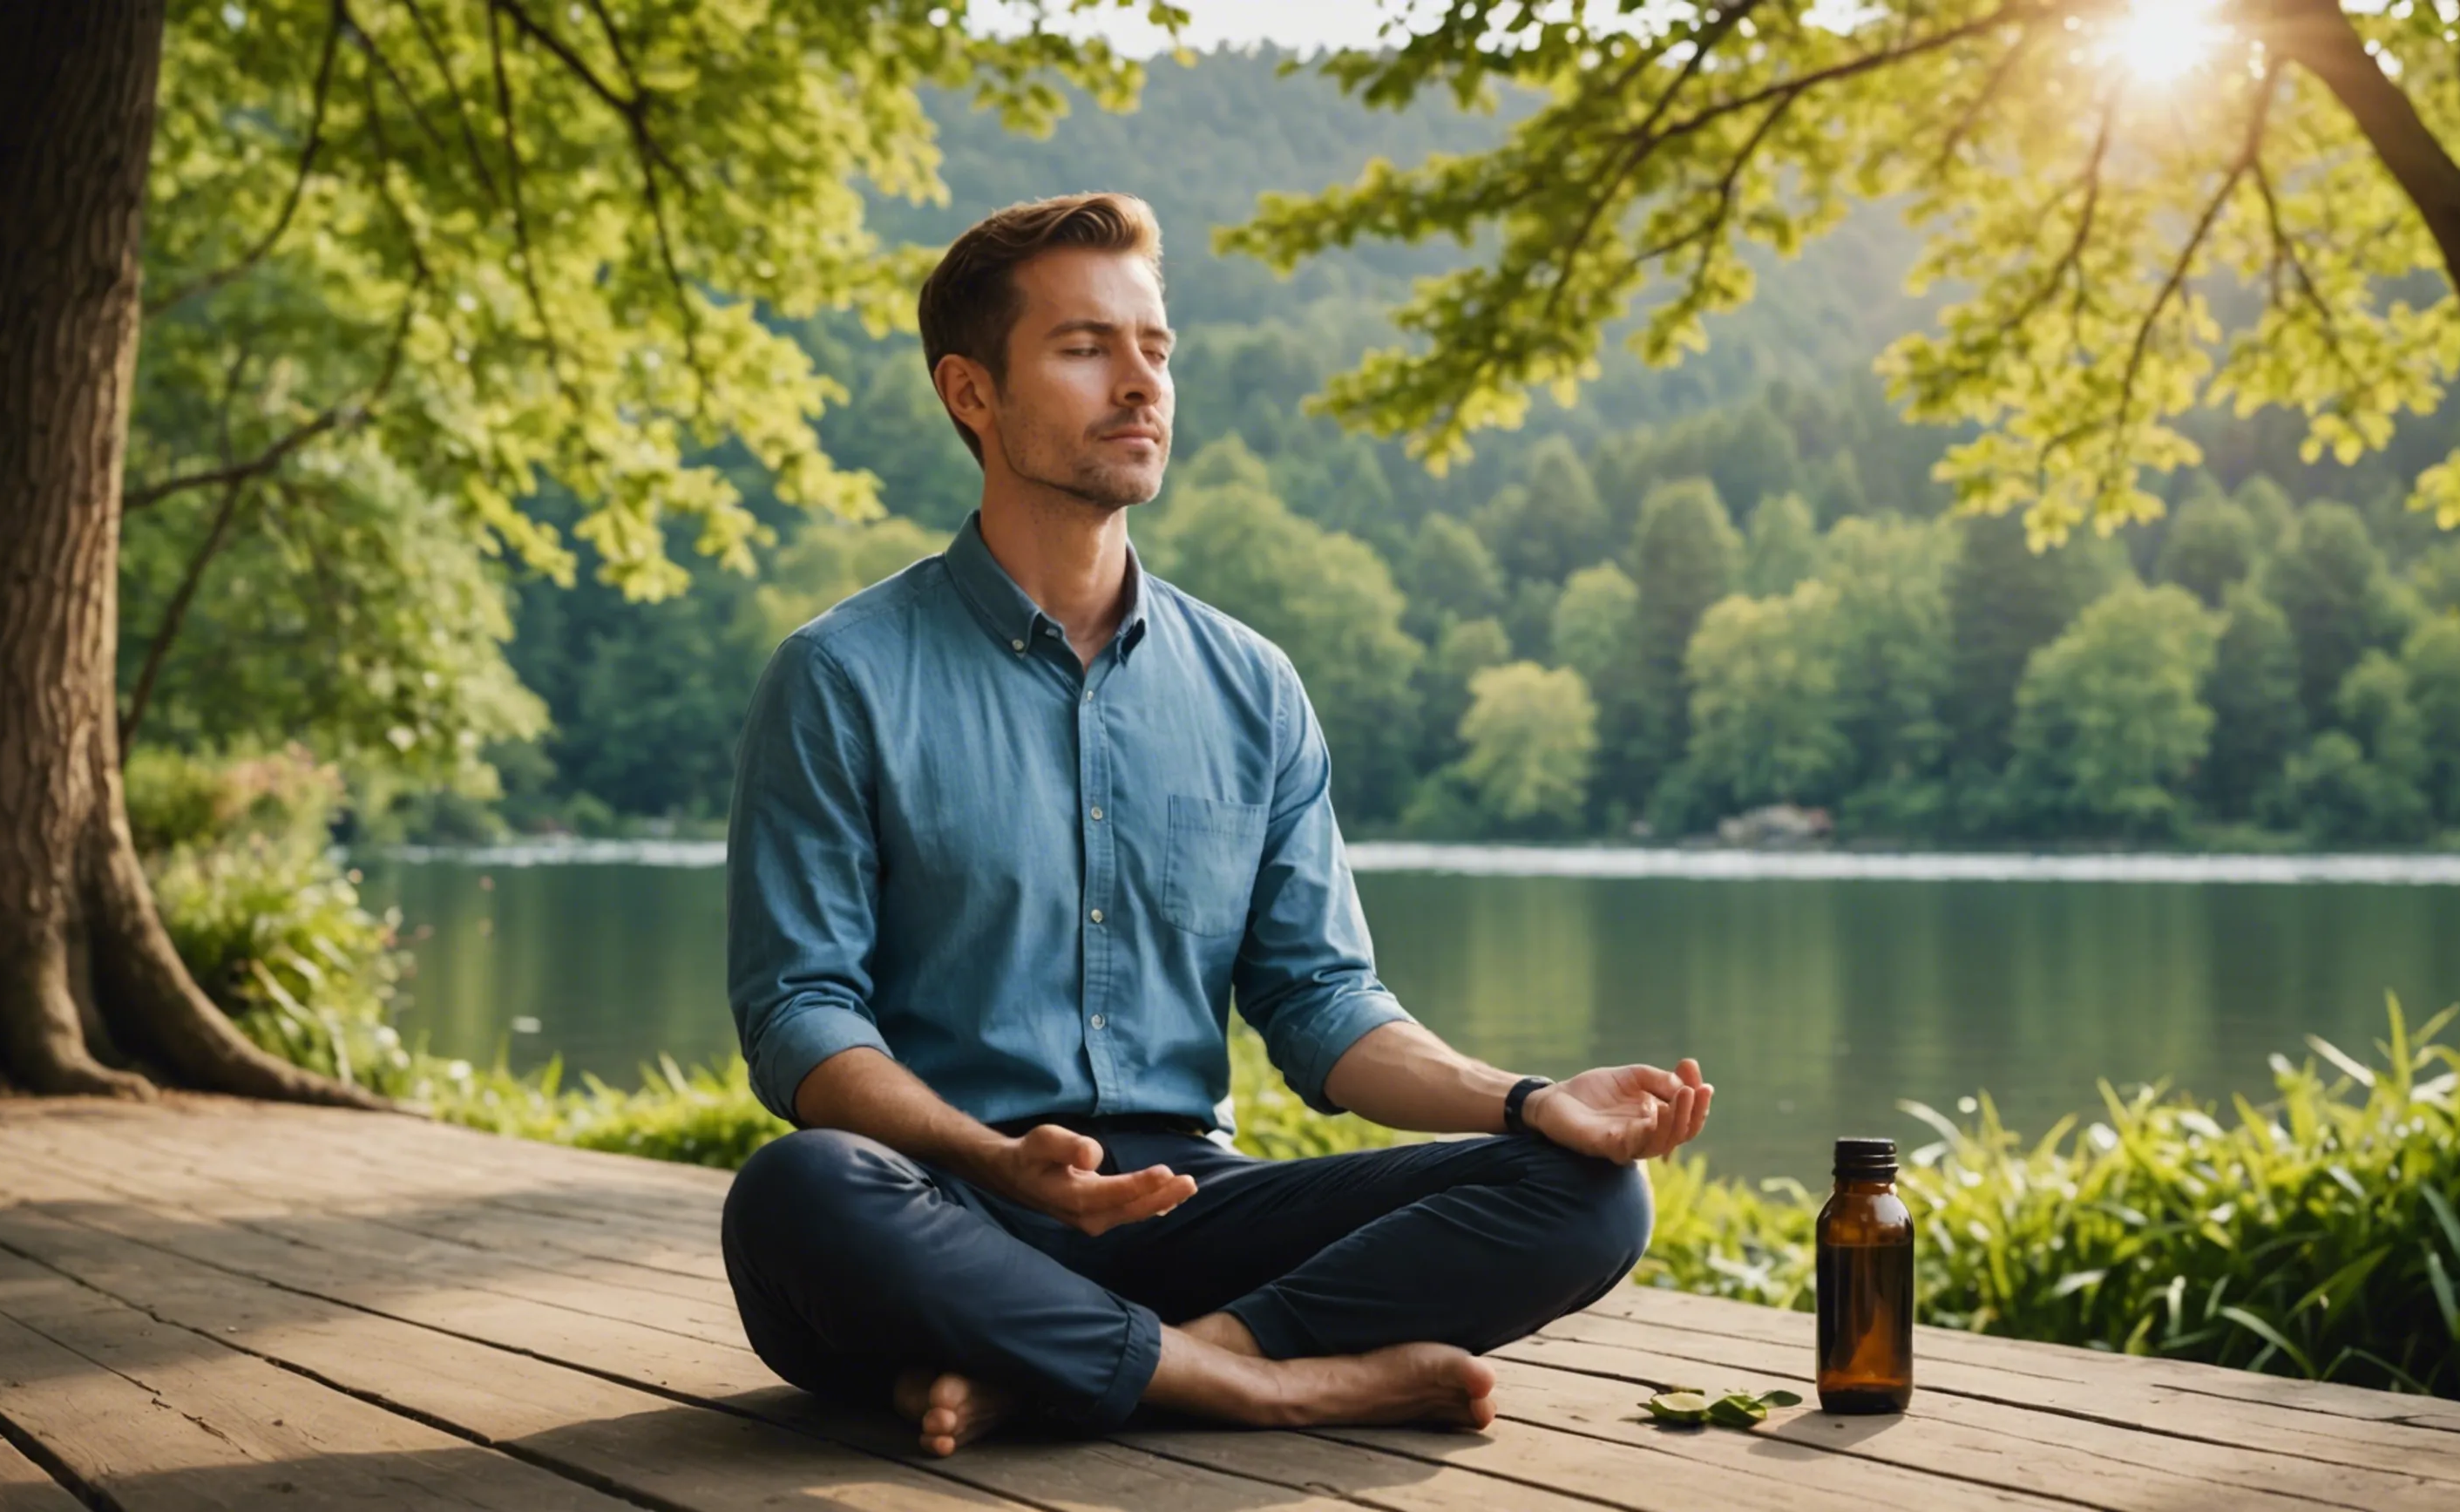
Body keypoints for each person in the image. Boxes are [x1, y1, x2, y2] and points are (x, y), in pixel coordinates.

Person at [720, 191, 1715, 1458]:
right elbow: (799, 1018)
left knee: (1585, 1193)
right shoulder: (841, 674)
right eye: (1086, 348)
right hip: (943, 1204)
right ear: (971, 393)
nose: (1141, 384)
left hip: (1188, 1208)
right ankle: (1273, 1382)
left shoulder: (1252, 685)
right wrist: (995, 1156)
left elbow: (1322, 1000)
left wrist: (1525, 1099)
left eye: (1157, 347)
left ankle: (1113, 1362)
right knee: (799, 1190)